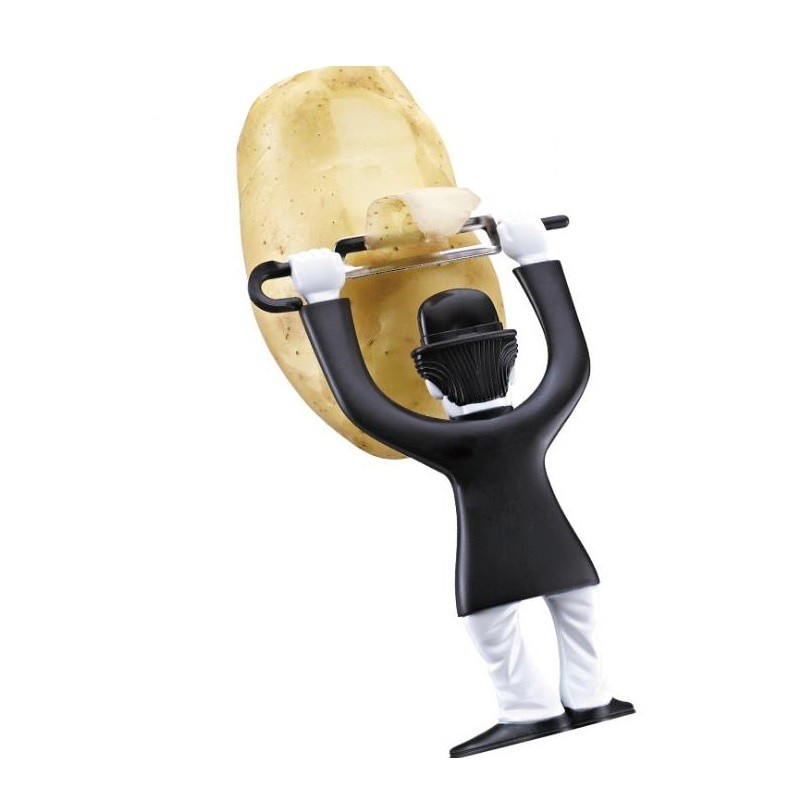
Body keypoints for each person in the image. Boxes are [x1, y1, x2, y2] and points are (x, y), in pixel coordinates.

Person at [290, 215, 634, 757]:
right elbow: (572, 360)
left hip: (487, 553)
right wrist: (534, 256)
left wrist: (322, 297)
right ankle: (590, 697)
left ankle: (529, 709)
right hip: (557, 541)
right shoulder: (537, 418)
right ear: (511, 366)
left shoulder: (443, 441)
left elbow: (360, 401)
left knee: (495, 631)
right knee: (577, 613)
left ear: (429, 382)